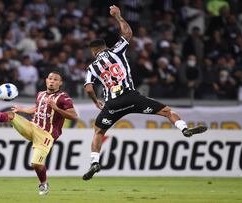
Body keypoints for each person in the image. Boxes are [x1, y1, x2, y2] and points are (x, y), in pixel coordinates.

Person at [82, 5, 207, 181]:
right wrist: (118, 16)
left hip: (112, 104)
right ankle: (184, 129)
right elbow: (127, 34)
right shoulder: (116, 50)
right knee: (167, 111)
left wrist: (95, 101)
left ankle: (94, 162)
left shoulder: (92, 67)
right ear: (105, 46)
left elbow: (88, 88)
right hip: (132, 97)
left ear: (93, 51)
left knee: (98, 132)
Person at [0, 71, 78, 195]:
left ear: (60, 83)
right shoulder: (40, 94)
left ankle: (43, 184)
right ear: (46, 80)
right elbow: (38, 107)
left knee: (36, 164)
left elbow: (74, 116)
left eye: (55, 80)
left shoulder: (63, 97)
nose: (52, 81)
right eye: (50, 78)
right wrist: (23, 110)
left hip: (46, 135)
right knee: (12, 115)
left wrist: (57, 108)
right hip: (32, 126)